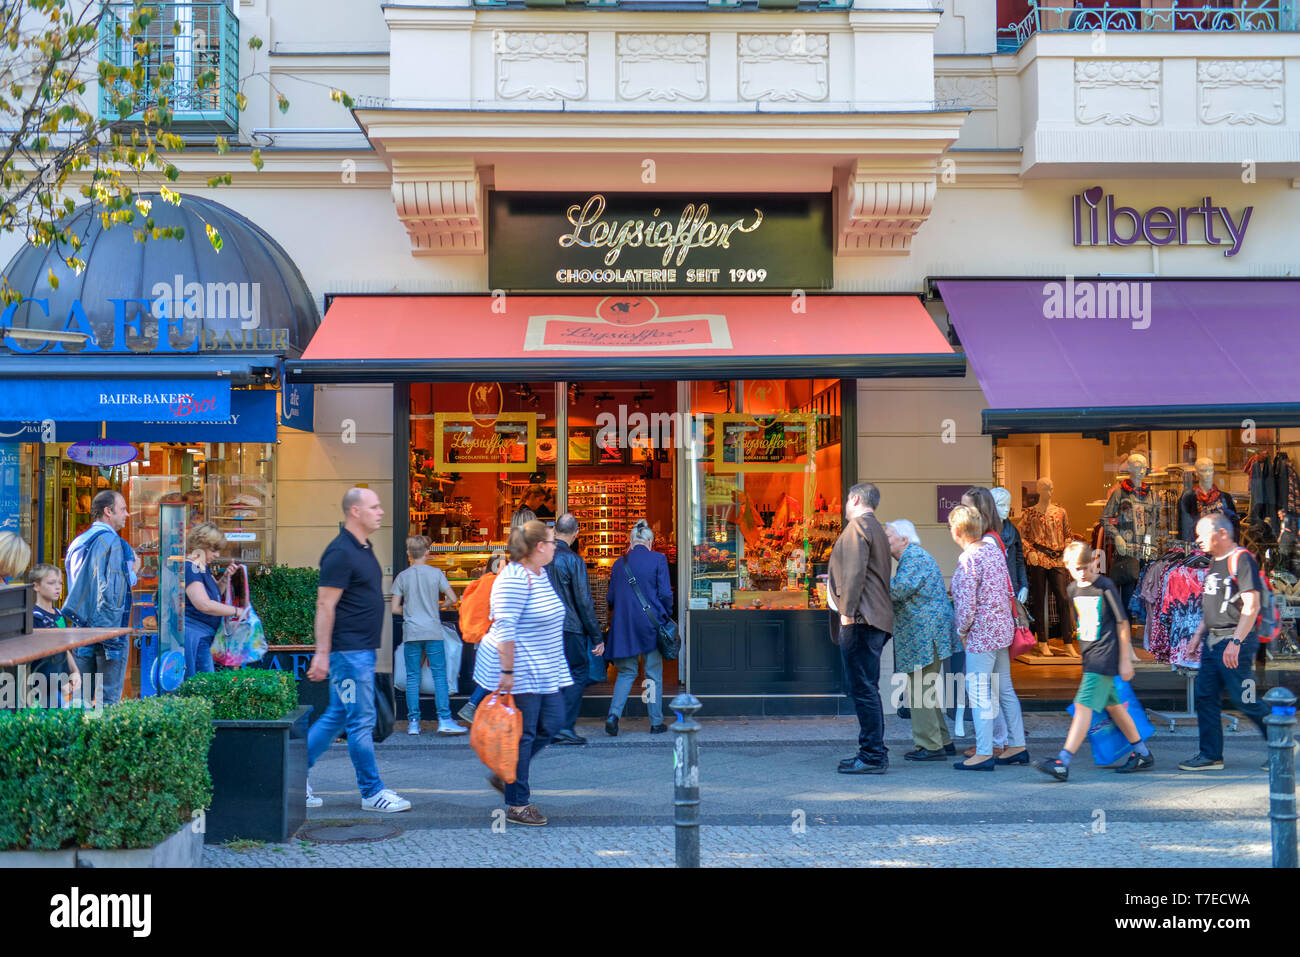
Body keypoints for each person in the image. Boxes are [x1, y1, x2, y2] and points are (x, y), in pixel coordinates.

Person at [305, 488, 411, 813]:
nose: (381, 511)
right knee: (361, 721)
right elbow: (325, 604)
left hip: (360, 651)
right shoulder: (340, 552)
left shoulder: (363, 547)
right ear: (355, 511)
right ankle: (372, 792)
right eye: (374, 507)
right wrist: (323, 653)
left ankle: (291, 777)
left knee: (338, 715)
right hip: (348, 654)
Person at [474, 520, 570, 826]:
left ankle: (507, 772)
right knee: (524, 735)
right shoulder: (513, 578)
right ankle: (517, 803)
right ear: (538, 547)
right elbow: (505, 627)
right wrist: (508, 670)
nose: (556, 546)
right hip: (524, 668)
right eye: (552, 542)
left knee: (552, 723)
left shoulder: (539, 573)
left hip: (546, 669)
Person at [1033, 542, 1153, 781]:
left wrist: (1126, 658)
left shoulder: (1105, 586)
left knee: (1082, 706)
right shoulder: (1072, 589)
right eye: (1076, 568)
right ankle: (1142, 752)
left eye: (1086, 567)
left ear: (1093, 563)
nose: (1082, 573)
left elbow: (1121, 622)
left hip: (1104, 657)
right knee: (1114, 707)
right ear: (1067, 567)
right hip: (1091, 657)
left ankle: (1062, 761)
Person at [1178, 513, 1275, 772]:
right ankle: (1210, 756)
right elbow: (1214, 604)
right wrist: (1199, 635)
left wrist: (1235, 642)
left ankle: (1283, 744)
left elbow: (1251, 605)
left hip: (1234, 641)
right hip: (1213, 642)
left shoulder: (1240, 559)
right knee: (1205, 696)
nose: (1197, 539)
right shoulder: (1215, 561)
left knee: (1245, 699)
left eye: (1202, 534)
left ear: (1221, 534)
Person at [948, 504, 1027, 770]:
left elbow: (966, 603)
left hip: (981, 635)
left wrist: (961, 631)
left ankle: (984, 752)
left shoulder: (969, 558)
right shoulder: (993, 551)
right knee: (1004, 689)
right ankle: (1017, 745)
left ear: (958, 531)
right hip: (1002, 631)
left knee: (979, 692)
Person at [829, 481, 894, 774]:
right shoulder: (876, 528)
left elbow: (855, 573)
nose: (844, 506)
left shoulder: (857, 528)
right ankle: (873, 750)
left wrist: (847, 612)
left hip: (862, 618)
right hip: (873, 617)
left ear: (854, 499)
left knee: (863, 689)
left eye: (846, 500)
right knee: (868, 687)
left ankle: (871, 755)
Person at [885, 520, 960, 760]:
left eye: (889, 537)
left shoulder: (914, 557)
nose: (885, 541)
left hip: (925, 634)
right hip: (928, 633)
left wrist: (873, 581)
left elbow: (897, 590)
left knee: (919, 688)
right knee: (924, 687)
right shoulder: (913, 557)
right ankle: (942, 740)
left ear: (904, 540)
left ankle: (930, 746)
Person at [62, 490, 132, 707]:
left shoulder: (77, 542)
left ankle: (79, 738)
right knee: (107, 700)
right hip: (108, 631)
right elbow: (115, 591)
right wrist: (134, 572)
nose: (127, 514)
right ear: (108, 511)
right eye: (122, 509)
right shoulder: (114, 543)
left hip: (80, 628)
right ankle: (102, 741)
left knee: (81, 699)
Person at [604, 519, 674, 736]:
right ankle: (655, 722)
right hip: (650, 626)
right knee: (652, 674)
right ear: (650, 541)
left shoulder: (618, 563)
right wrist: (666, 613)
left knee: (626, 672)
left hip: (624, 627)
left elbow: (611, 597)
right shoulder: (658, 559)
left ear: (630, 541)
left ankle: (613, 716)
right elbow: (665, 594)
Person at [392, 534, 465, 736]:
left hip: (412, 632)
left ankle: (413, 722)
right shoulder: (436, 573)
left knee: (412, 677)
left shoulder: (402, 577)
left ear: (408, 553)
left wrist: (410, 611)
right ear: (427, 552)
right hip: (433, 630)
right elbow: (452, 597)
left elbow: (395, 608)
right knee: (440, 676)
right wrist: (438, 606)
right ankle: (444, 719)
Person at [546, 512, 605, 744]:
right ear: (576, 533)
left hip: (545, 628)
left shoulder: (542, 556)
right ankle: (564, 727)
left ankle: (550, 726)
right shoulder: (573, 560)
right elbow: (583, 601)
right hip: (570, 628)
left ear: (555, 530)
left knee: (551, 676)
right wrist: (597, 636)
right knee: (576, 674)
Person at [183, 522, 243, 679]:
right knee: (203, 688)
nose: (217, 555)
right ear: (201, 545)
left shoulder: (201, 567)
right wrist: (238, 611)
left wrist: (225, 578)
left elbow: (214, 594)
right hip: (196, 638)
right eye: (214, 550)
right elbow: (203, 604)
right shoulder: (191, 568)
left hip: (203, 636)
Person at [27, 563, 81, 708]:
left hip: (61, 681)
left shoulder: (59, 615)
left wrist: (75, 671)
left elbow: (64, 646)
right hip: (44, 684)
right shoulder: (34, 618)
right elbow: (40, 656)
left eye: (60, 583)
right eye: (51, 583)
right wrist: (57, 683)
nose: (58, 587)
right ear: (36, 586)